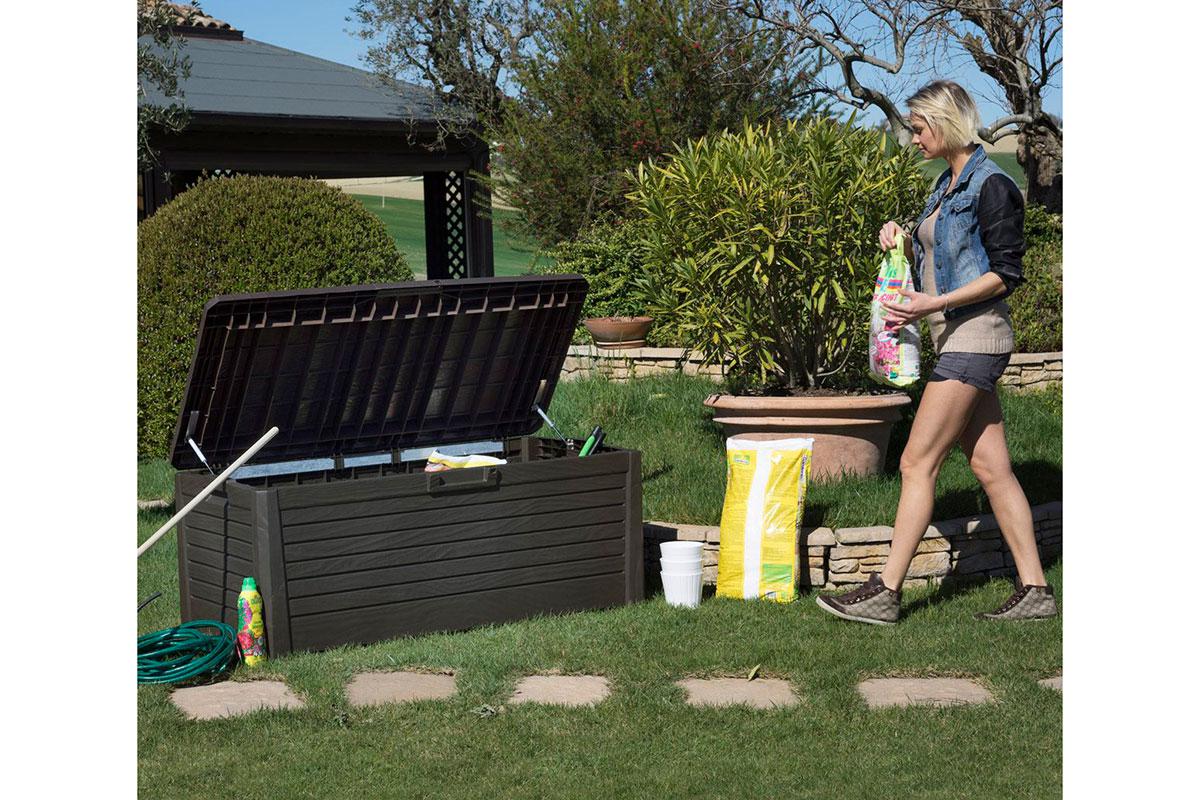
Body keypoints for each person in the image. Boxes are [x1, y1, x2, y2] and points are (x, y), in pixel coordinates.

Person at [815, 80, 1058, 625]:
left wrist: (934, 304)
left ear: (946, 122)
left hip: (975, 339)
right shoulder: (946, 185)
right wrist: (900, 239)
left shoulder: (993, 185)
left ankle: (885, 591)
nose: (914, 138)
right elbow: (944, 253)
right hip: (957, 338)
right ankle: (1036, 591)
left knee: (916, 462)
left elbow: (1005, 274)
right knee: (991, 468)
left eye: (920, 128)